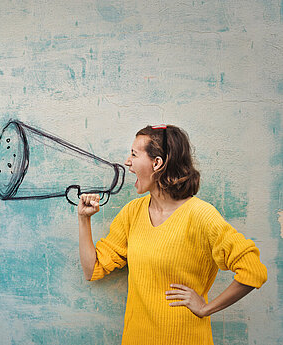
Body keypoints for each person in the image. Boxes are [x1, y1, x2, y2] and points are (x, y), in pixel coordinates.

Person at [78, 125, 267, 345]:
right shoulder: (132, 212)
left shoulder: (201, 215)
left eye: (133, 154)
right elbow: (92, 269)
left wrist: (206, 308)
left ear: (157, 163)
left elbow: (253, 271)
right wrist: (84, 219)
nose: (127, 162)